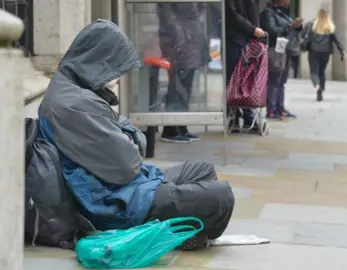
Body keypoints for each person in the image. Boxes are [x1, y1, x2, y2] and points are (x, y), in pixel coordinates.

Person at [37, 20, 234, 250]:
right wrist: (128, 135)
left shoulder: (73, 90)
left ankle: (181, 228)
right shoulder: (73, 104)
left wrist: (126, 134)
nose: (115, 77)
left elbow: (128, 139)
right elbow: (128, 165)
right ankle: (173, 231)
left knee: (203, 169)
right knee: (221, 197)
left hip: (125, 187)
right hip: (114, 204)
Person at [155, 3, 211, 143]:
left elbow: (200, 8)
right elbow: (168, 17)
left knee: (186, 86)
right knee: (177, 86)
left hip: (190, 39)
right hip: (181, 42)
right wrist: (181, 38)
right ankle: (170, 129)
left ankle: (181, 124)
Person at [226, 0, 264, 130]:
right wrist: (253, 29)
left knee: (249, 80)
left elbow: (255, 14)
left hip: (249, 39)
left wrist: (255, 32)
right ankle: (234, 117)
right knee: (233, 80)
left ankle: (248, 116)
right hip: (235, 39)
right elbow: (232, 14)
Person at [261, 0, 302, 119]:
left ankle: (279, 108)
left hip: (286, 49)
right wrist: (289, 26)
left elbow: (291, 30)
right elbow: (272, 30)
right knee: (274, 80)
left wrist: (297, 26)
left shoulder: (285, 12)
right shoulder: (269, 12)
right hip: (276, 49)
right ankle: (272, 109)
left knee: (281, 81)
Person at [302, 8, 345, 101]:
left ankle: (317, 86)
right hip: (325, 52)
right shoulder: (330, 27)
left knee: (314, 71)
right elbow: (336, 41)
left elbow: (304, 36)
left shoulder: (312, 25)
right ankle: (322, 88)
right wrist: (342, 51)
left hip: (313, 51)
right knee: (321, 71)